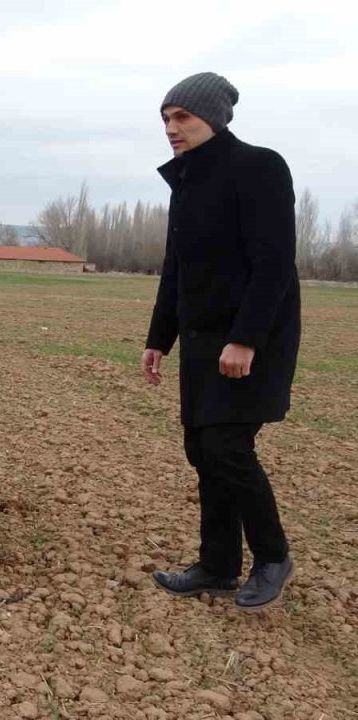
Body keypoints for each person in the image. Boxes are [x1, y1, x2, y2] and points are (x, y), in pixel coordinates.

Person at [143, 73, 301, 610]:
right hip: (202, 341)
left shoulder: (259, 167)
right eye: (166, 118)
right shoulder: (187, 182)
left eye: (182, 116)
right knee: (202, 448)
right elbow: (177, 270)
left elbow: (274, 263)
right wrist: (159, 338)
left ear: (213, 118)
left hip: (252, 340)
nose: (171, 127)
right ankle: (217, 565)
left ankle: (273, 556)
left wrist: (246, 339)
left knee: (227, 447)